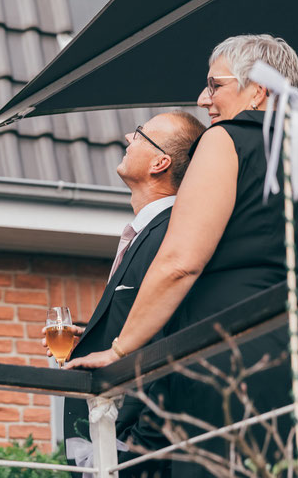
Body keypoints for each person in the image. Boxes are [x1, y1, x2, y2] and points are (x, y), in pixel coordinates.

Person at [68, 35, 298, 476]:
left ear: (258, 90)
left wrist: (121, 348)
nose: (204, 99)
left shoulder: (225, 140)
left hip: (230, 362)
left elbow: (181, 259)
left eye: (214, 85)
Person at [57, 111, 205, 475]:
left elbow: (174, 339)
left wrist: (134, 448)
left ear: (160, 162)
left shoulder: (171, 235)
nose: (127, 136)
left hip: (135, 450)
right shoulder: (147, 232)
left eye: (140, 134)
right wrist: (96, 334)